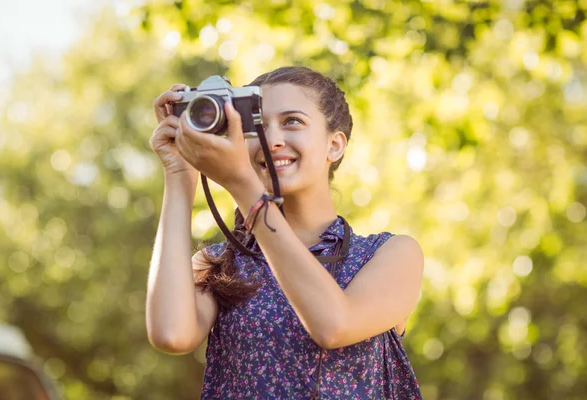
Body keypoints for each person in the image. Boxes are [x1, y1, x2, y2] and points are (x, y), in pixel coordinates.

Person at [146, 66, 424, 399]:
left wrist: (243, 188)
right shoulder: (221, 263)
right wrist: (180, 173)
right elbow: (171, 335)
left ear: (334, 146)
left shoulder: (391, 254)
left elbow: (334, 326)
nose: (272, 140)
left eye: (292, 121)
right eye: (257, 125)